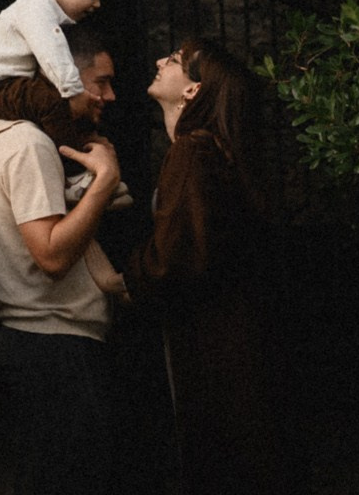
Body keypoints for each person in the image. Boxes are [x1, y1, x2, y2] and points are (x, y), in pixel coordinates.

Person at [0, 23, 126, 495]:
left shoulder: (32, 142)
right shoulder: (30, 146)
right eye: (100, 82)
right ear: (66, 78)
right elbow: (52, 255)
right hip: (52, 350)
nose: (110, 95)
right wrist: (103, 183)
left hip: (50, 346)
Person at [125, 37, 280, 495]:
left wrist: (122, 276)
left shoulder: (194, 150)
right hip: (231, 335)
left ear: (192, 91)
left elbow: (174, 255)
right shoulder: (210, 149)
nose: (159, 60)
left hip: (211, 338)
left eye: (173, 60)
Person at [0, 0, 127, 206]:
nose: (97, 4)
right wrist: (74, 91)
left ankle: (90, 159)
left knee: (61, 108)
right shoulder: (36, 9)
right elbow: (51, 51)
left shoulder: (45, 10)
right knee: (55, 104)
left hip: (13, 84)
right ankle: (74, 176)